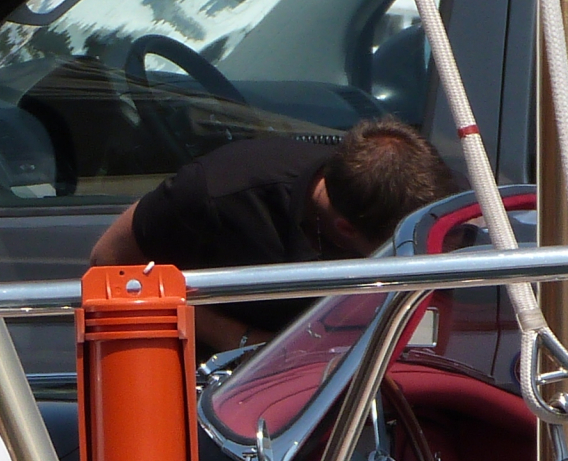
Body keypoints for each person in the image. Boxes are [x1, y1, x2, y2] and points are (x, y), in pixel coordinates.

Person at [91, 117, 459, 353]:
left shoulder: (428, 220)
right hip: (212, 395)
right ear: (346, 230)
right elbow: (108, 264)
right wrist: (245, 342)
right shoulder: (221, 190)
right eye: (400, 250)